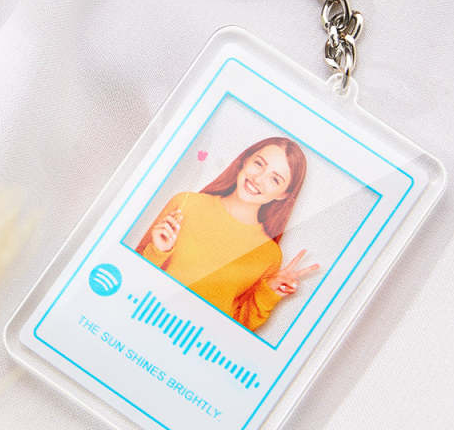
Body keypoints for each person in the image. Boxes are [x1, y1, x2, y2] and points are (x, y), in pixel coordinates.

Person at [136, 136, 319, 332]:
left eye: (274, 179)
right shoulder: (186, 203)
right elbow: (131, 275)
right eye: (259, 164)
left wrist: (268, 294)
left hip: (190, 343)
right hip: (142, 320)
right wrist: (157, 252)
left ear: (283, 194)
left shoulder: (269, 255)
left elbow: (236, 329)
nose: (258, 179)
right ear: (244, 160)